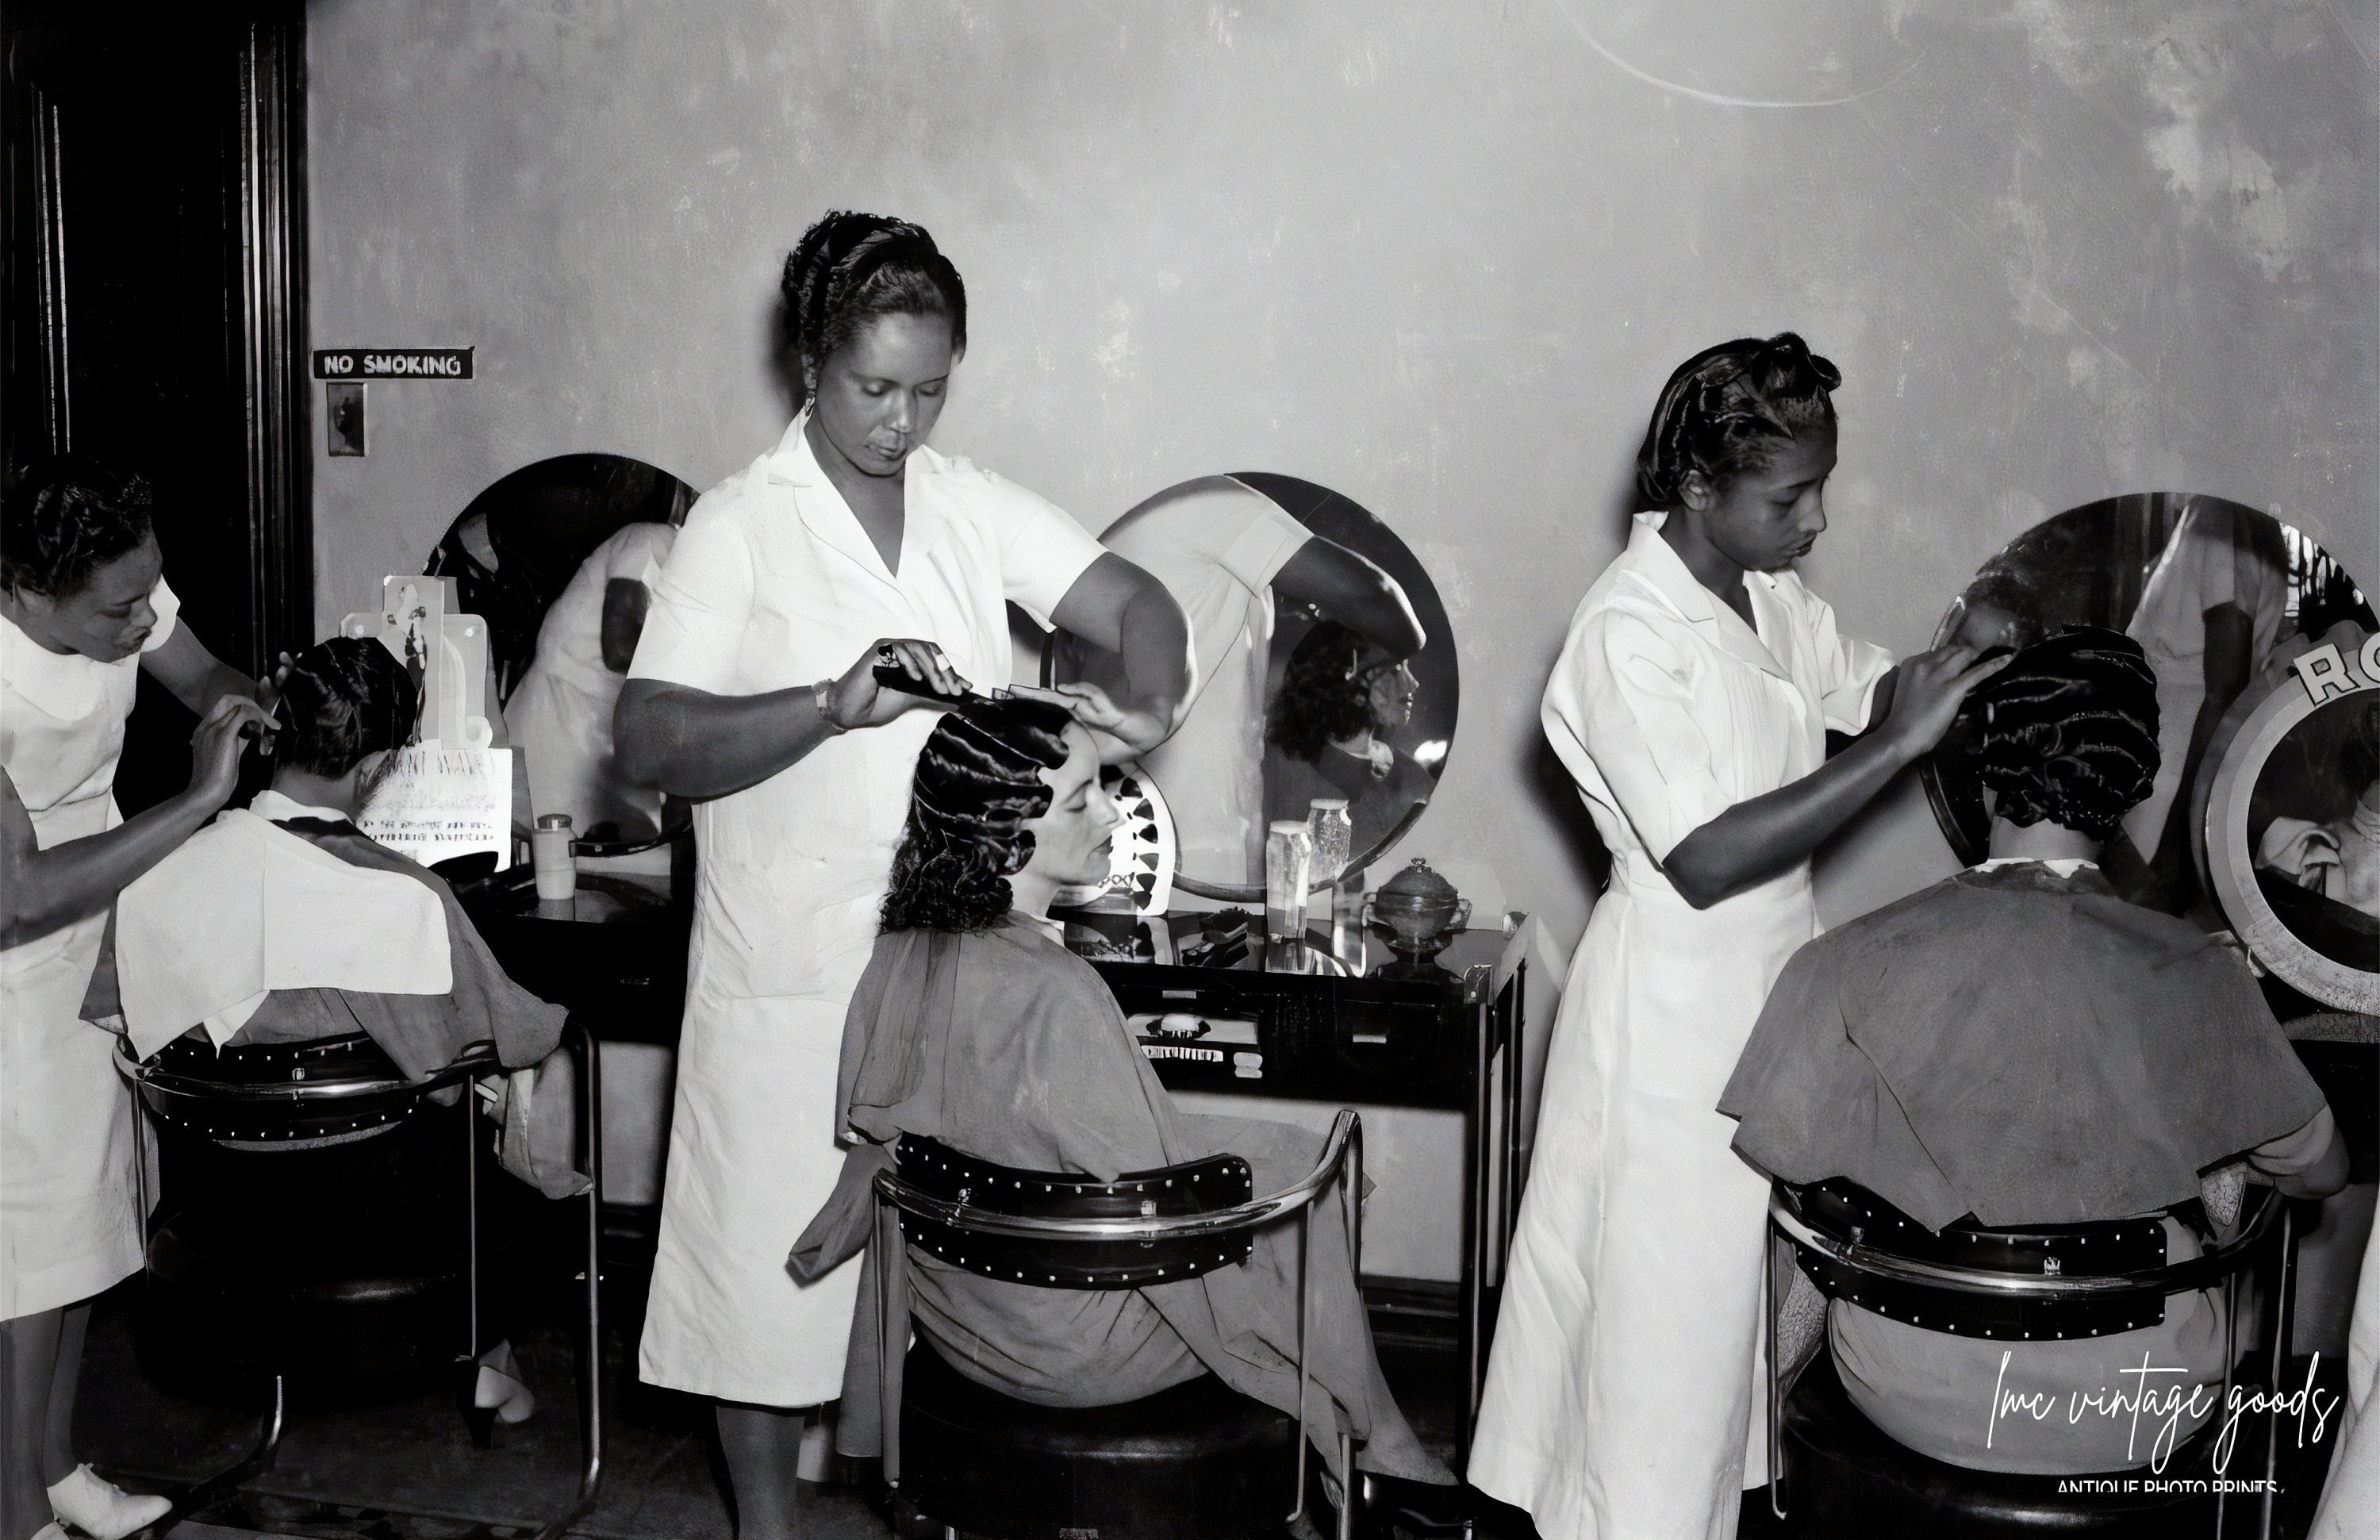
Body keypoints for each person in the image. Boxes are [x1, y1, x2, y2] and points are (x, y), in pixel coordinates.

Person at [612, 212, 1192, 1538]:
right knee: (765, 1295)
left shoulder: (968, 504)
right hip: (793, 970)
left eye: (930, 387)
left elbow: (1137, 607)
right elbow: (650, 736)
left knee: (945, 1269)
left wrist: (1141, 698)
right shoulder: (739, 526)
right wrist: (829, 701)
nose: (901, 419)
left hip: (944, 967)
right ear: (811, 364)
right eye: (875, 387)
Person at [1467, 335, 2004, 1540]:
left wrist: (1967, 660)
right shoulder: (1627, 632)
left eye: (1822, 486)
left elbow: (1867, 683)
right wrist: (1895, 748)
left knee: (1716, 1339)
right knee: (1656, 1348)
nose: (1816, 518)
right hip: (1664, 1025)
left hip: (1762, 1003)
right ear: (1698, 488)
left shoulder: (1762, 594)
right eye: (1790, 495)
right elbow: (1704, 854)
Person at [788, 697, 1450, 1497]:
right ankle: (1380, 1440)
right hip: (1076, 1347)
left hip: (966, 1322)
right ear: (1003, 836)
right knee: (1310, 1192)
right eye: (1081, 800)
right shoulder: (1057, 991)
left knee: (1289, 1155)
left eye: (1103, 784)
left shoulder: (902, 952)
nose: (1111, 811)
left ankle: (1381, 1436)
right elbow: (1159, 1212)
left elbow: (972, 1140)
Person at [1720, 628, 2346, 1473]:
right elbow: (2322, 1171)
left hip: (1906, 1384)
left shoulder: (1844, 960)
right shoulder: (2201, 973)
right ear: (2132, 790)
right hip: (2137, 1396)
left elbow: (1789, 1195)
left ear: (1981, 773)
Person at [81, 636, 577, 1427]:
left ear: (275, 733)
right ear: (378, 767)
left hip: (224, 1223)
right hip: (388, 1227)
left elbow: (124, 1028)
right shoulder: (404, 899)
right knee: (507, 1090)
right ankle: (490, 1352)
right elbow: (511, 1038)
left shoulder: (157, 882)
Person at [0, 459, 273, 1540]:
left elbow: (204, 674)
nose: (141, 620)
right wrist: (203, 794)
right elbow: (16, 899)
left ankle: (57, 1467)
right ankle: (14, 1515)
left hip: (96, 934)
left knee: (83, 1228)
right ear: (25, 590)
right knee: (21, 1266)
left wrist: (236, 705)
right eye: (119, 610)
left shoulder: (128, 593)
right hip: (14, 959)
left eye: (148, 593)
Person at [1081, 476, 1424, 884]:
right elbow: (1381, 604)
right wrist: (1380, 655)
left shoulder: (1163, 516)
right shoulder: (1218, 498)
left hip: (1158, 823)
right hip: (1192, 829)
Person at [2120, 497, 2289, 914]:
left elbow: (2226, 681)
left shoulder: (2220, 513)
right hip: (2160, 755)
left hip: (2169, 764)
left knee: (2133, 915)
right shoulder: (2244, 521)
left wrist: (2183, 836)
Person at [506, 519, 681, 839]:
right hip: (563, 712)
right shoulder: (654, 540)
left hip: (596, 720)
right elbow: (618, 648)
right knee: (559, 850)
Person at [1261, 620, 1434, 859]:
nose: (1412, 683)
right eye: (1395, 670)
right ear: (1346, 678)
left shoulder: (1414, 779)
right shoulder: (1284, 771)